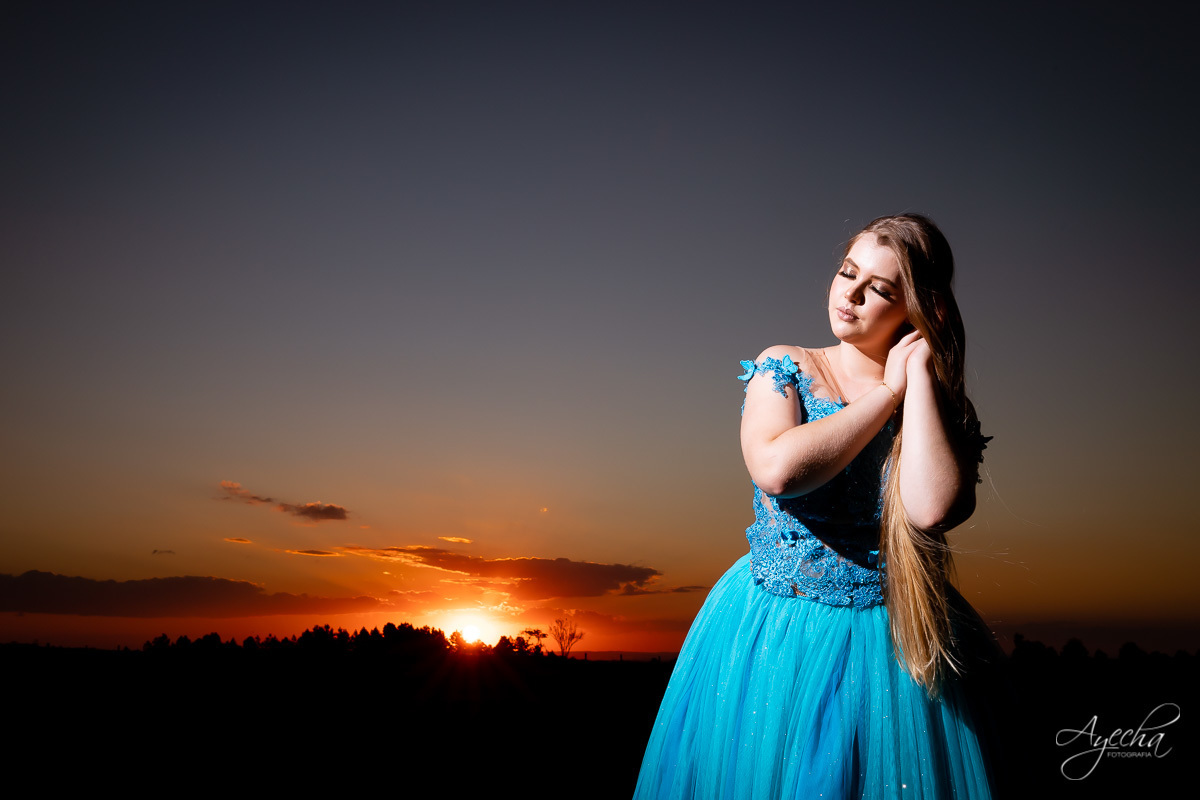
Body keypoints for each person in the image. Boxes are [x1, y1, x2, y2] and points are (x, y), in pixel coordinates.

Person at [634, 214, 1000, 799]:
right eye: (846, 272)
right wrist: (886, 395)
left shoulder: (929, 399)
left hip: (892, 642)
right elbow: (778, 471)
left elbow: (932, 510)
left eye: (879, 288)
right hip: (774, 630)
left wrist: (921, 377)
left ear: (916, 308)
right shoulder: (790, 364)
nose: (850, 294)